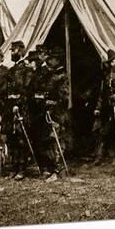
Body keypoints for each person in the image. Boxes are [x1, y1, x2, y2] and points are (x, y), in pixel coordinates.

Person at [41, 47, 71, 182]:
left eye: (51, 59)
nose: (49, 61)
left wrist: (52, 102)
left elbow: (64, 97)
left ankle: (58, 171)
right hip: (51, 112)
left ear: (57, 60)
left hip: (59, 113)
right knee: (52, 142)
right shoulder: (52, 74)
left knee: (57, 141)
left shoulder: (62, 76)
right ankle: (56, 169)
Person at [3, 40, 31, 181]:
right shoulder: (11, 70)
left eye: (14, 50)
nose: (12, 53)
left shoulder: (27, 70)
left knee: (21, 140)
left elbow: (27, 91)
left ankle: (22, 169)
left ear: (20, 51)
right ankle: (13, 168)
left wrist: (18, 104)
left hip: (21, 109)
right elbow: (8, 90)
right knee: (12, 139)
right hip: (10, 109)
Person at [25, 47, 49, 176]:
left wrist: (37, 96)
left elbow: (44, 91)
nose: (30, 64)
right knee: (35, 139)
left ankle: (45, 167)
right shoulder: (34, 74)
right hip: (33, 110)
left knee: (41, 140)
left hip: (40, 110)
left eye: (32, 61)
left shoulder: (44, 72)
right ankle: (40, 166)